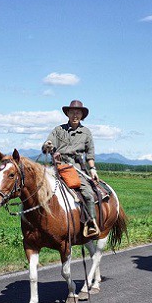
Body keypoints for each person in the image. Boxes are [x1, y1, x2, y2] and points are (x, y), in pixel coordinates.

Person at [42, 100, 100, 237]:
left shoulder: (86, 132)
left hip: (76, 168)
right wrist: (48, 145)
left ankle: (91, 223)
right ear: (67, 113)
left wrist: (92, 169)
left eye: (78, 112)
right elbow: (47, 145)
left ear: (82, 115)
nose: (75, 115)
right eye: (72, 112)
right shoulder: (58, 130)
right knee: (40, 188)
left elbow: (90, 154)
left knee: (88, 193)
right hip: (57, 165)